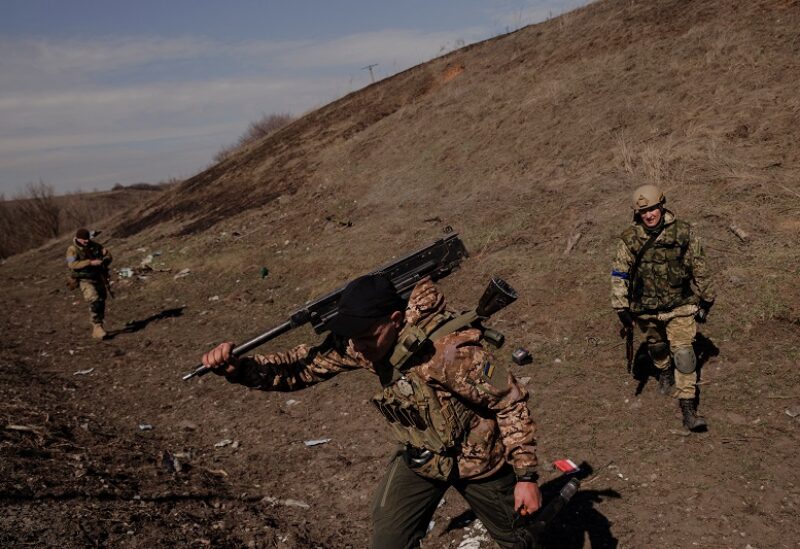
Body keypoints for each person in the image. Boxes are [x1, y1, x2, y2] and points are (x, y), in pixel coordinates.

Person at [202, 274, 541, 548]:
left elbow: (509, 401)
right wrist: (239, 369)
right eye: (352, 338)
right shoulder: (363, 344)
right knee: (389, 537)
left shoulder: (450, 354)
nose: (357, 347)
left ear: (395, 320)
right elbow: (301, 368)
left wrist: (525, 476)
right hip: (422, 456)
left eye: (365, 337)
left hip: (479, 463)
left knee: (518, 539)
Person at [611, 185, 716, 432]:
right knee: (656, 346)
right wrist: (620, 306)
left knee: (684, 355)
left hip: (680, 305)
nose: (649, 215)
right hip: (645, 309)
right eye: (643, 211)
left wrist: (707, 297)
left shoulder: (683, 232)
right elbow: (619, 272)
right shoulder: (630, 238)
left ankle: (688, 409)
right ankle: (664, 370)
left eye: (653, 209)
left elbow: (700, 266)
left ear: (662, 206)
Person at [66, 228, 112, 339]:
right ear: (77, 238)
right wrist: (90, 262)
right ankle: (97, 327)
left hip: (98, 277)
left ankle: (99, 325)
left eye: (87, 239)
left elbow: (108, 255)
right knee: (94, 300)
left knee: (101, 301)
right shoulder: (72, 250)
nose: (86, 241)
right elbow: (72, 264)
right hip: (84, 279)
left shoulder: (95, 246)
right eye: (83, 240)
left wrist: (104, 262)